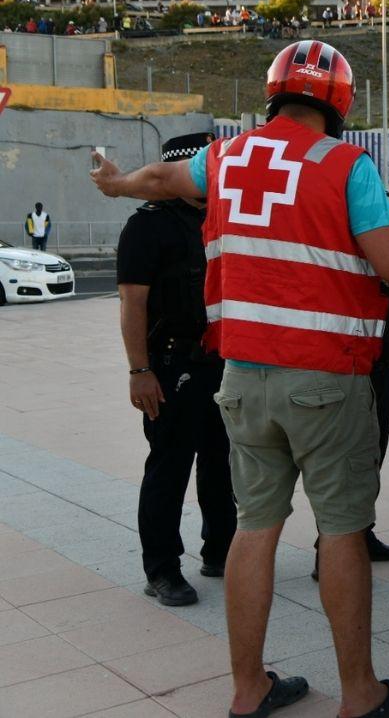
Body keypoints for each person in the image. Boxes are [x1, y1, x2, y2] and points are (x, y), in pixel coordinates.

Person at [91, 40, 389, 718]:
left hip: (242, 376)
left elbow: (162, 182)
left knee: (256, 526)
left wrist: (116, 182)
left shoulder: (225, 156)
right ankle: (361, 695)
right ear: (339, 101)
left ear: (274, 91)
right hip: (327, 381)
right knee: (341, 530)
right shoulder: (346, 164)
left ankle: (249, 689)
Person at [116, 133, 236, 608]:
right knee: (169, 467)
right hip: (168, 364)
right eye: (199, 168)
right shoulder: (148, 226)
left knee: (221, 463)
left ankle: (221, 550)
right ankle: (162, 568)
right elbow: (132, 303)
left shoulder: (219, 219)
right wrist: (138, 370)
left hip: (221, 362)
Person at [308, 278, 389, 581]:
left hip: (380, 366)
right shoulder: (350, 247)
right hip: (344, 367)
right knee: (341, 462)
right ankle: (329, 548)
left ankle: (361, 533)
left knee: (372, 456)